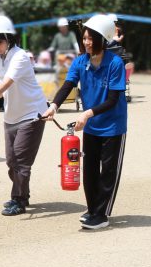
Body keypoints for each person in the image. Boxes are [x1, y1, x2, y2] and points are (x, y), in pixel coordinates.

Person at [42, 14, 128, 230]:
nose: (87, 42)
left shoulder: (115, 63)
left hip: (113, 126)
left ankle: (102, 215)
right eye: (85, 38)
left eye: (91, 38)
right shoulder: (80, 61)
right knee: (89, 170)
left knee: (108, 172)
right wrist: (53, 106)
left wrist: (86, 114)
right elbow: (68, 85)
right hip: (92, 126)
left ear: (103, 39)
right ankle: (92, 210)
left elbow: (113, 100)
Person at [0, 15, 50, 216]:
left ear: (8, 39)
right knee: (11, 161)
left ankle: (19, 200)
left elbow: (7, 83)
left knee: (21, 160)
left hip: (32, 113)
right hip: (11, 114)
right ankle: (22, 194)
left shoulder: (20, 57)